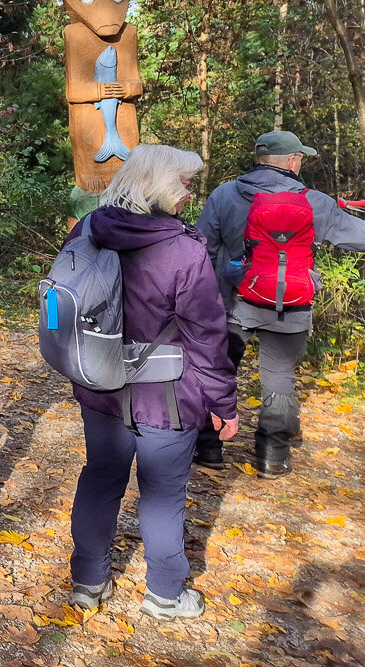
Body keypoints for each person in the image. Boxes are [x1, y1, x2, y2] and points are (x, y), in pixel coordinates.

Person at [64, 145, 237, 622]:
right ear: (159, 185)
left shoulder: (88, 232)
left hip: (100, 384)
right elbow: (207, 336)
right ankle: (164, 594)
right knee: (162, 492)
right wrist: (224, 402)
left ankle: (88, 582)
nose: (188, 193)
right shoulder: (183, 250)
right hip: (168, 396)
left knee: (100, 478)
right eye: (182, 182)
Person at [194, 130, 365, 476]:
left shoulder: (224, 195)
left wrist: (212, 295)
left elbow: (203, 248)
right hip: (292, 303)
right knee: (280, 376)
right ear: (293, 161)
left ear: (259, 158)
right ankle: (272, 456)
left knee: (219, 369)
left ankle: (209, 448)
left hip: (235, 300)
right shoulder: (313, 201)